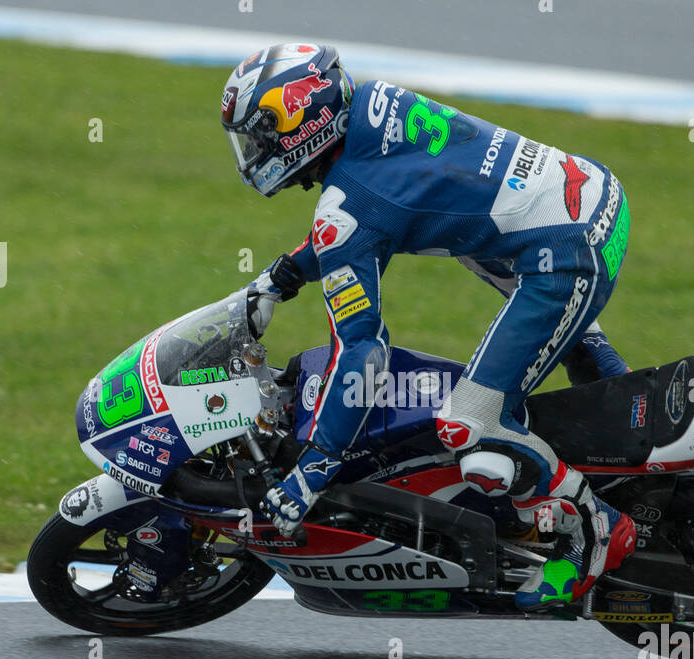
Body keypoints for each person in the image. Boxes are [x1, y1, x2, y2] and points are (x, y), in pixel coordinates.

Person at [222, 43, 635, 611]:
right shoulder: (373, 104)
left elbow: (363, 352)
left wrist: (317, 466)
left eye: (261, 136)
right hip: (591, 197)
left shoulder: (349, 203)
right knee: (477, 243)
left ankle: (596, 529)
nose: (253, 154)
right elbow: (371, 221)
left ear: (302, 121)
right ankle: (629, 434)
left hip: (563, 253)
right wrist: (284, 276)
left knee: (468, 426)